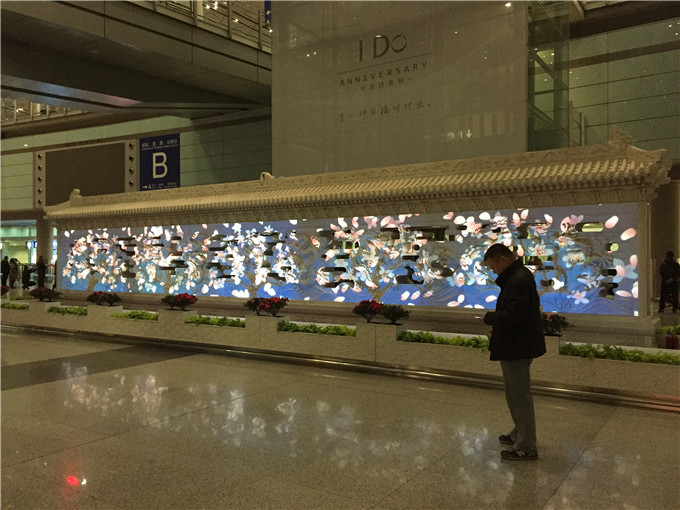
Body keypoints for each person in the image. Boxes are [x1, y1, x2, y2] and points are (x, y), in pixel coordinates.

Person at [482, 244, 546, 461]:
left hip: (517, 346)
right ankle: (519, 433)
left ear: (503, 259)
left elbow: (514, 315)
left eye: (493, 266)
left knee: (518, 396)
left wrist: (490, 318)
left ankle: (526, 446)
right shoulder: (519, 276)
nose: (494, 271)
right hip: (518, 343)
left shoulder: (518, 280)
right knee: (517, 393)